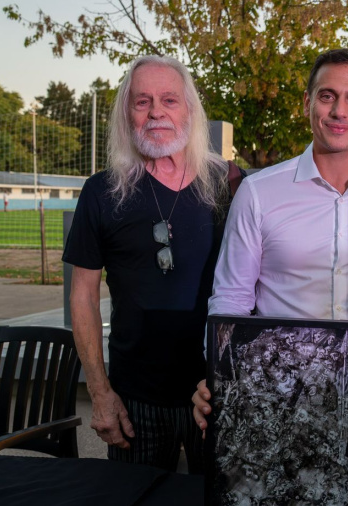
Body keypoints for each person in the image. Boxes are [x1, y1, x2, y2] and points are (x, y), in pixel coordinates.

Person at [192, 48, 348, 490]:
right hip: (280, 388)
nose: (339, 111)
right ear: (307, 103)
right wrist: (221, 378)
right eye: (327, 96)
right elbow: (231, 297)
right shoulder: (259, 193)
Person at [63, 55, 238, 472]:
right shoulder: (102, 192)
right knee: (133, 496)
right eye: (142, 102)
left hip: (214, 391)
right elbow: (83, 296)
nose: (156, 112)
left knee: (215, 498)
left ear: (189, 110)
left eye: (169, 100)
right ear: (128, 114)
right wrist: (100, 393)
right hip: (133, 398)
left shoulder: (230, 185)